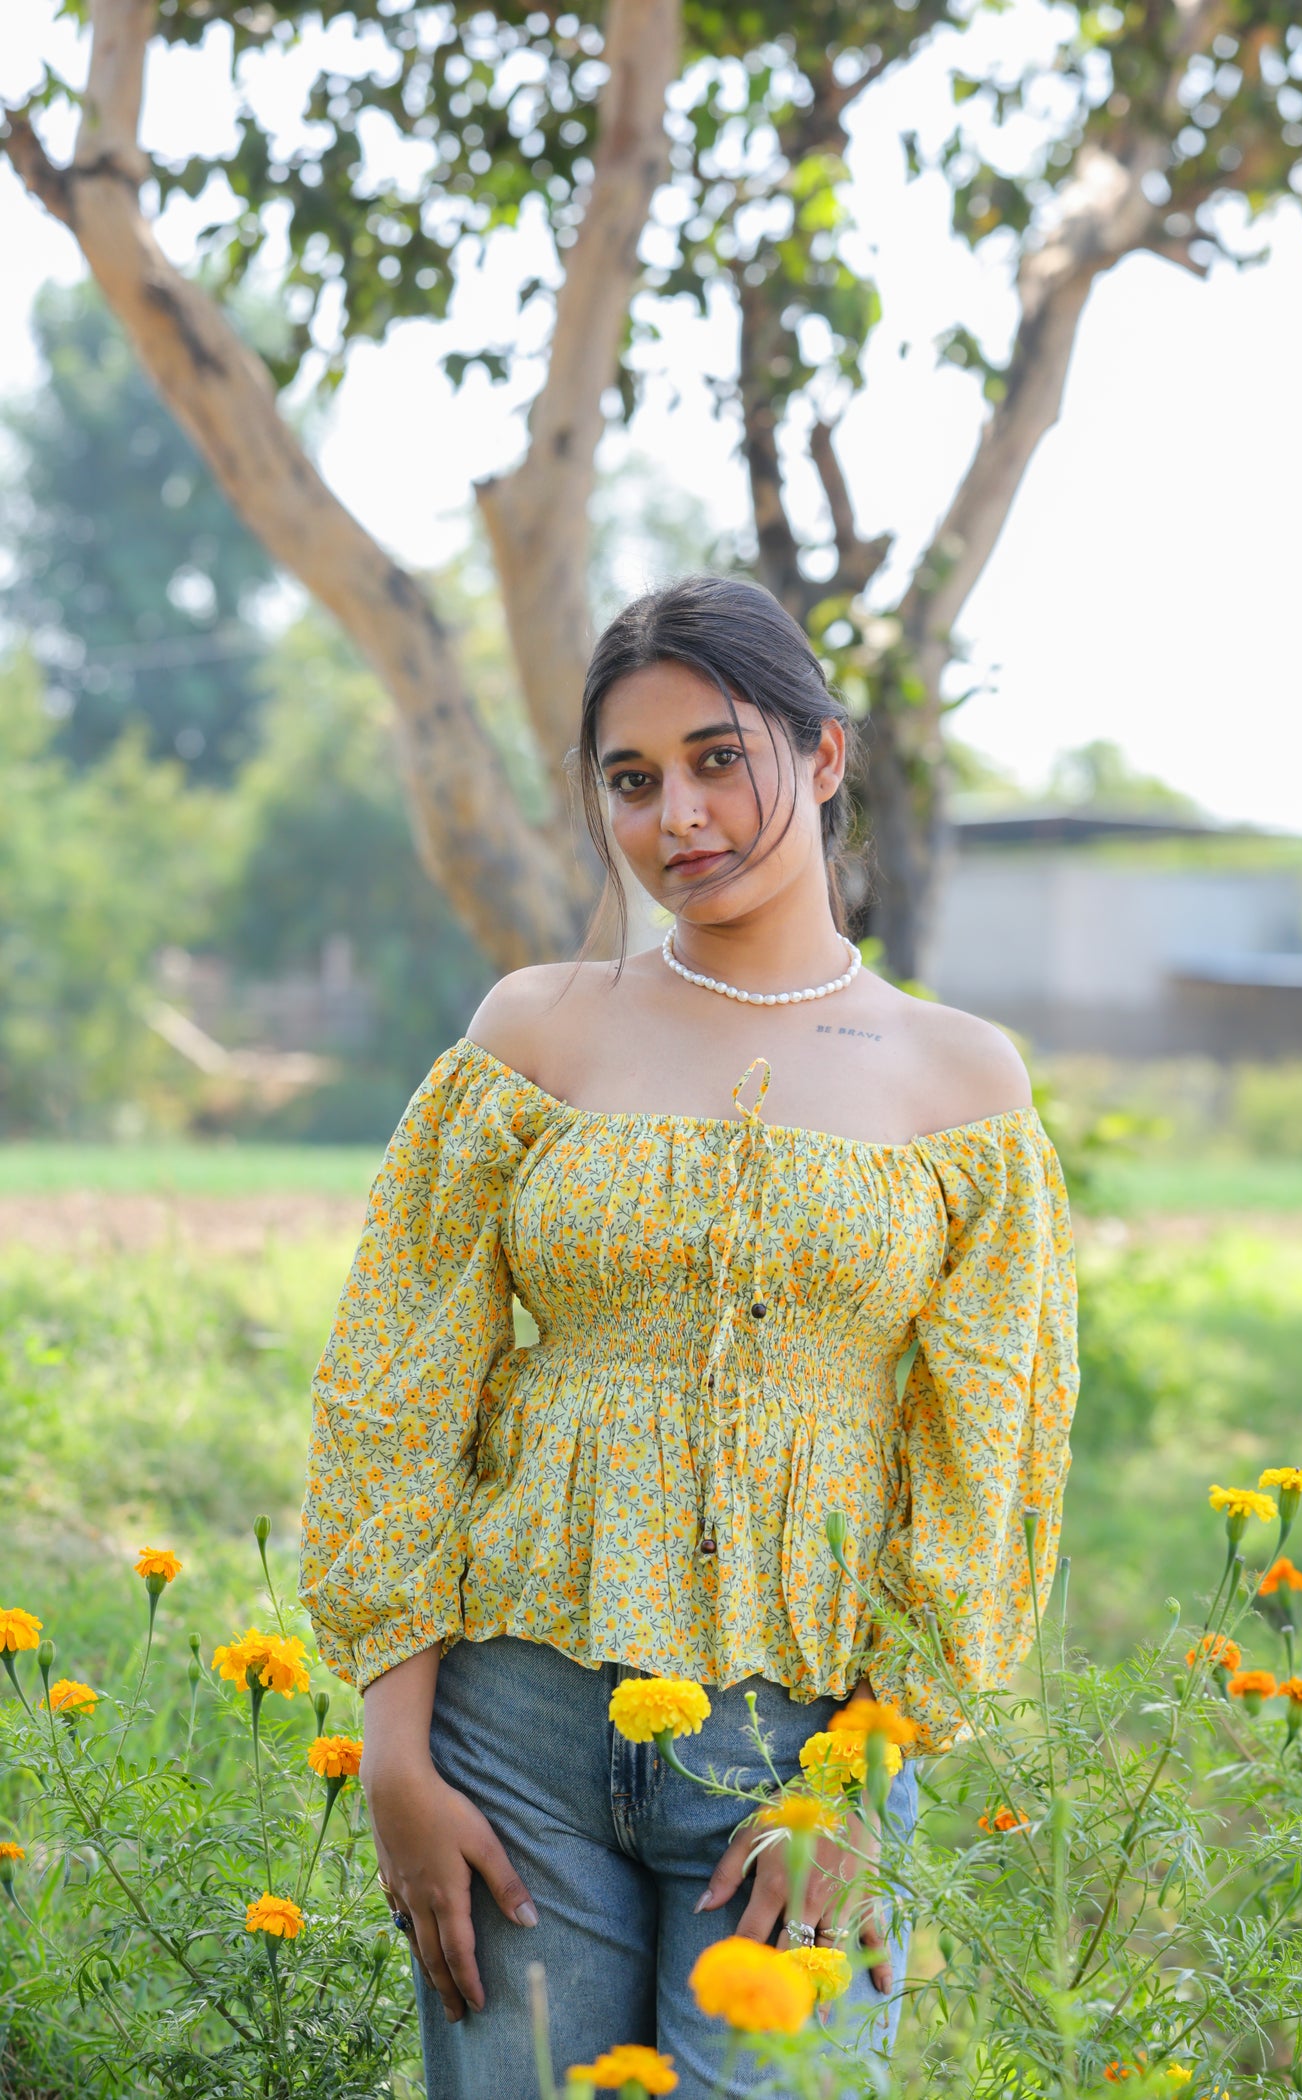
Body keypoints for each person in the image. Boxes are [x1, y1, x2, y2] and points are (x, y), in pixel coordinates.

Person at [297, 574, 1079, 2098]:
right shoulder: (533, 1031)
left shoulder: (962, 1081)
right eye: (633, 780)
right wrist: (396, 1752)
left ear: (824, 755)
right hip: (510, 1740)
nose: (680, 817)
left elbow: (991, 1457)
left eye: (720, 759)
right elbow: (396, 1386)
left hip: (803, 1762)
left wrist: (862, 1780)